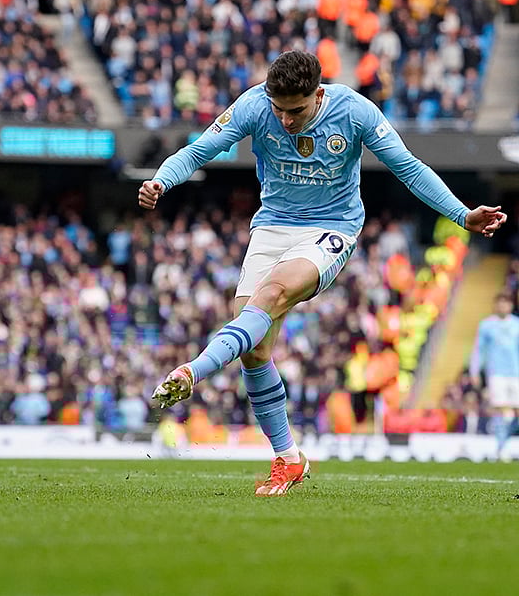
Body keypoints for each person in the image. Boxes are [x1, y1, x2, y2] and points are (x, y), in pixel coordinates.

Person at [138, 50, 507, 496]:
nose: (286, 121)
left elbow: (408, 168)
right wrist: (162, 179)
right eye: (279, 110)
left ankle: (192, 371)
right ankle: (289, 458)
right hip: (271, 226)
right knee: (254, 349)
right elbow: (200, 149)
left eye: (295, 111)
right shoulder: (254, 104)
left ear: (318, 94)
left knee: (271, 295)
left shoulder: (354, 111)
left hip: (331, 228)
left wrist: (461, 214)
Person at [469, 293, 519, 461]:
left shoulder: (517, 325)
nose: (503, 306)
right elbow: (478, 349)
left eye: (506, 303)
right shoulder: (487, 325)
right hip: (496, 373)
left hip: (516, 373)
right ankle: (501, 448)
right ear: (495, 305)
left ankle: (504, 443)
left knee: (513, 412)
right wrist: (474, 371)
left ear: (511, 306)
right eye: (500, 303)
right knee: (499, 408)